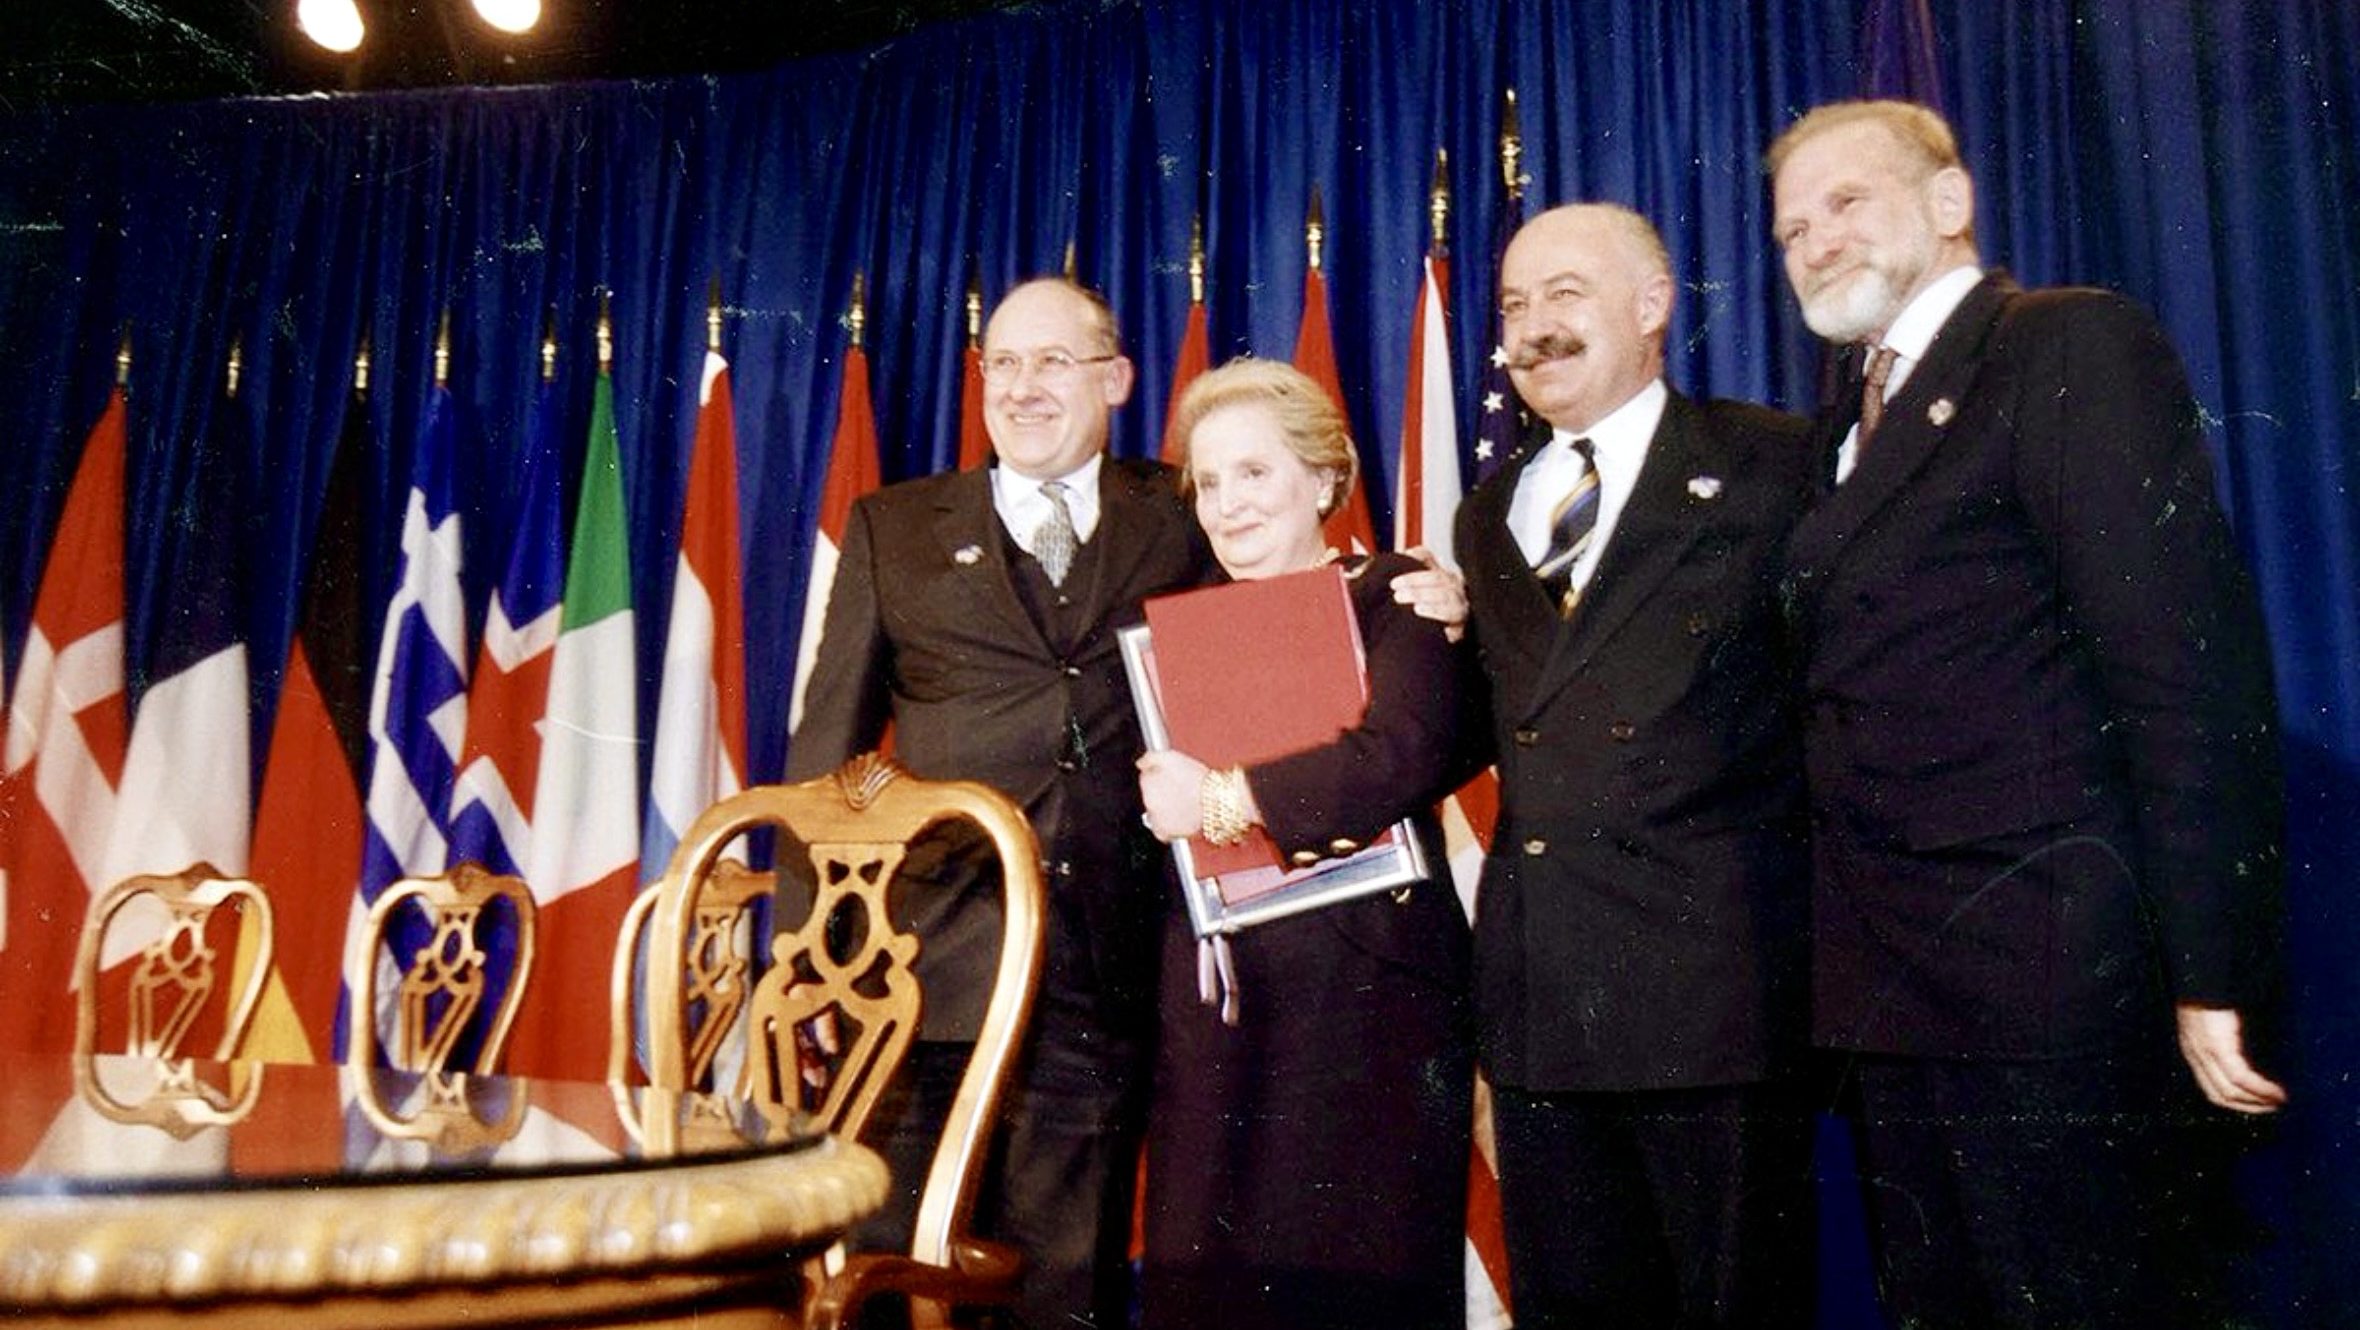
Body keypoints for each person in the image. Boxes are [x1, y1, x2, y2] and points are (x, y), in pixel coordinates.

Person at [1767, 99, 2287, 1327]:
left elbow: (2181, 672)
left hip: (2051, 978)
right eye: (1790, 228)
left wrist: (2212, 968)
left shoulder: (2061, 346)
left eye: (1845, 203)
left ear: (1949, 205)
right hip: (1892, 995)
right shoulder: (1840, 428)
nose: (1814, 242)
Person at [785, 276, 1218, 1329]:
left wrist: (1404, 588)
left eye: (1053, 362)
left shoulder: (1183, 514)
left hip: (1103, 975)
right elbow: (822, 766)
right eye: (1003, 364)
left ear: (1114, 378)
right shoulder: (893, 528)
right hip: (920, 979)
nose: (1022, 388)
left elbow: (1282, 627)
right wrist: (814, 960)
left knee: (1059, 1285)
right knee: (897, 1271)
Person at [1448, 202, 1818, 1327]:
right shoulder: (1484, 512)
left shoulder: (1772, 463)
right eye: (1512, 304)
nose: (1530, 328)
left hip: (1712, 990)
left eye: (1565, 292)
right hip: (1545, 997)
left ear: (1652, 305)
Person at [1133, 358, 1477, 1330]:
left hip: (1366, 1005)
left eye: (1254, 472)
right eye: (1207, 481)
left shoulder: (1398, 594)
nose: (1227, 503)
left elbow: (1394, 759)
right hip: (1222, 1004)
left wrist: (1221, 800)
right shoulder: (1172, 636)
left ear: (1324, 480)